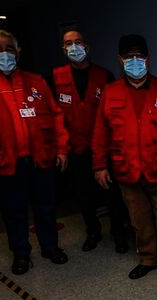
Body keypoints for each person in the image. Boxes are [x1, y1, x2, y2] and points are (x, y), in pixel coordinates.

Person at [0, 29, 70, 275]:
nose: (4, 54)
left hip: (41, 159)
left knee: (46, 208)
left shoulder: (36, 81)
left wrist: (62, 148)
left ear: (18, 52)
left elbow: (56, 115)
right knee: (13, 212)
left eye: (9, 48)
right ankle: (21, 254)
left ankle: (51, 247)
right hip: (5, 163)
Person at [92, 34, 157, 283]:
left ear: (148, 59)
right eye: (129, 57)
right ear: (120, 60)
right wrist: (99, 166)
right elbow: (100, 133)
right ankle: (148, 258)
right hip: (127, 170)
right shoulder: (110, 92)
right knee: (139, 221)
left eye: (139, 56)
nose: (134, 61)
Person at [52, 27, 129, 253]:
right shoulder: (55, 78)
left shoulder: (104, 76)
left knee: (113, 193)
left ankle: (118, 232)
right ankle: (92, 231)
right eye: (68, 43)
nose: (74, 47)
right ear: (63, 49)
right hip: (76, 148)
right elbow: (53, 116)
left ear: (87, 46)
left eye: (78, 42)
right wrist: (61, 149)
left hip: (106, 146)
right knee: (84, 194)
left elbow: (117, 113)